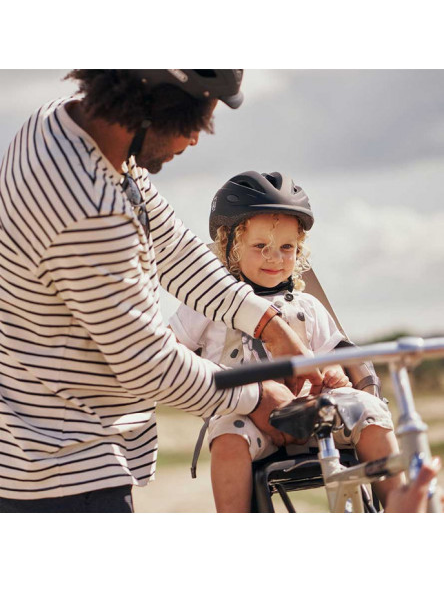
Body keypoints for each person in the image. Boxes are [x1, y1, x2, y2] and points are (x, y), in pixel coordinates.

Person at [0, 70, 322, 513]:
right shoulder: (89, 208)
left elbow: (173, 248)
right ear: (154, 100)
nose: (192, 140)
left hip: (49, 456)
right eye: (192, 121)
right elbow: (146, 362)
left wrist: (268, 324)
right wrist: (257, 395)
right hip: (65, 471)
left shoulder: (63, 127)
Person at [169, 170, 403, 512]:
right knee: (227, 440)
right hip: (246, 415)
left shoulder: (308, 305)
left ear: (300, 249)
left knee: (370, 413)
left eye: (287, 247)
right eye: (260, 246)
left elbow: (337, 353)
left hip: (316, 412)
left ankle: (402, 506)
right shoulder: (208, 304)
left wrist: (339, 374)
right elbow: (172, 347)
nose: (275, 258)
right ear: (229, 246)